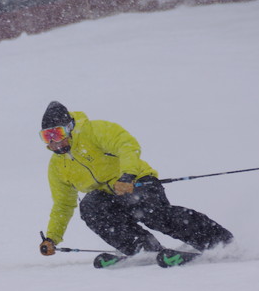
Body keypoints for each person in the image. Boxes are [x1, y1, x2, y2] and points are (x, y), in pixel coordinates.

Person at [37, 101, 233, 267]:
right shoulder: (57, 166)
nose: (54, 142)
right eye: (47, 136)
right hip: (110, 196)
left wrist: (127, 176)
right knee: (90, 206)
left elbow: (126, 145)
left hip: (138, 183)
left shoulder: (93, 131)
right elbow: (63, 204)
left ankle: (218, 241)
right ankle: (143, 249)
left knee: (153, 214)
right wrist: (52, 238)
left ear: (69, 127)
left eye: (57, 133)